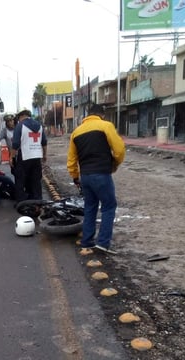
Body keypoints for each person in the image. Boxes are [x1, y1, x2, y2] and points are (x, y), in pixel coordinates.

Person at [67, 103, 125, 255]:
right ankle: (103, 243)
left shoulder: (76, 132)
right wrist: (114, 164)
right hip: (102, 174)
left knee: (90, 207)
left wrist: (75, 176)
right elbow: (119, 149)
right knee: (108, 206)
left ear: (88, 114)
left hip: (85, 176)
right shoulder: (106, 126)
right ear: (102, 115)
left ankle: (87, 241)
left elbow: (71, 159)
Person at [10, 109, 47, 203]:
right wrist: (44, 155)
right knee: (36, 180)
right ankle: (37, 200)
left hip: (25, 156)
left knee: (20, 179)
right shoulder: (39, 125)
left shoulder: (20, 126)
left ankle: (22, 202)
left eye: (18, 118)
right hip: (37, 156)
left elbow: (15, 144)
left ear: (21, 116)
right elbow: (44, 142)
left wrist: (11, 157)